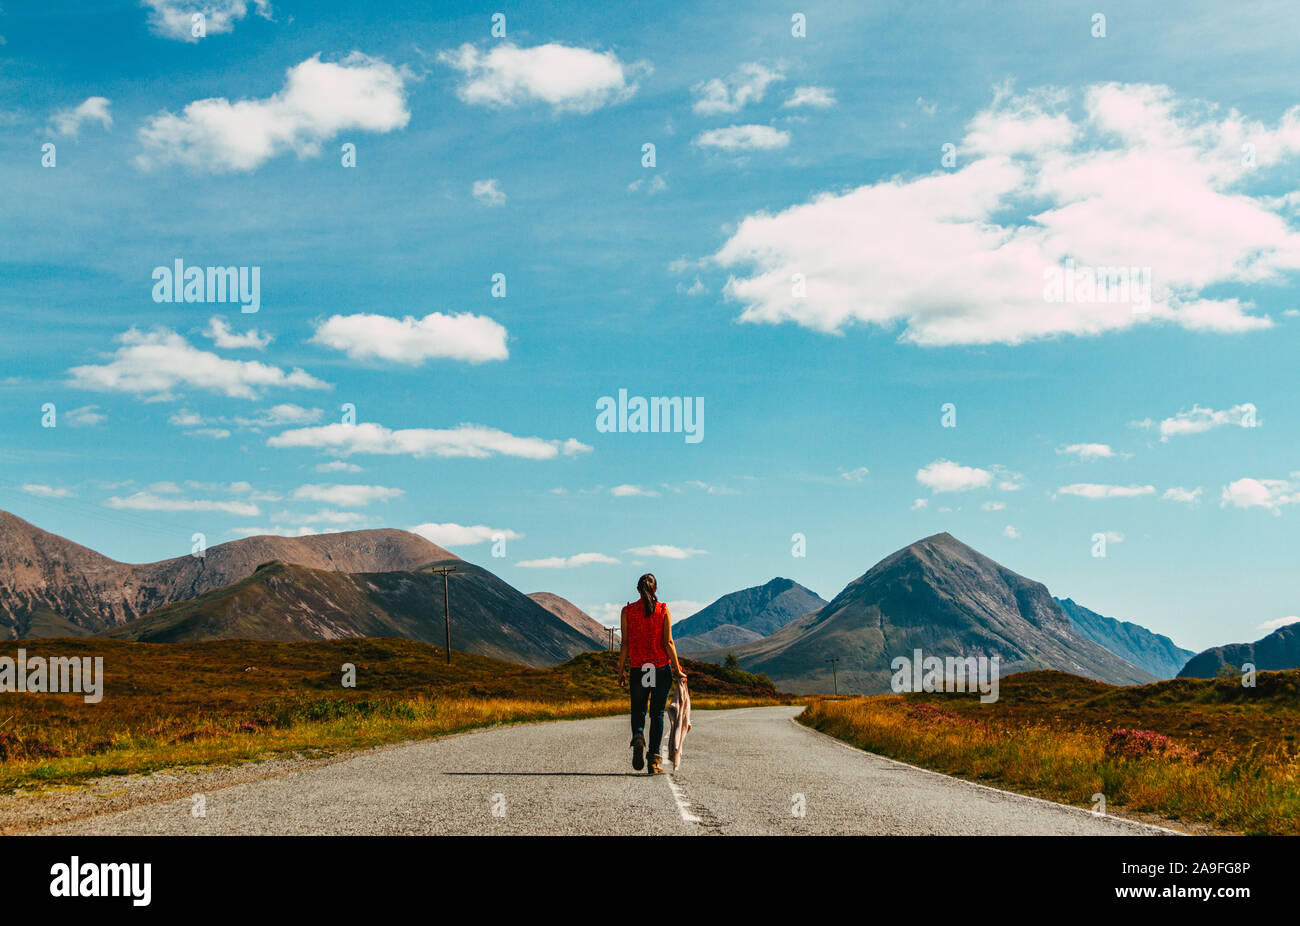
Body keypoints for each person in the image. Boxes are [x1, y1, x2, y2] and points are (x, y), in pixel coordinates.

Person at [617, 573, 686, 775]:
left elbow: (625, 644)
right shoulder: (663, 610)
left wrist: (621, 671)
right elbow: (668, 643)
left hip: (639, 668)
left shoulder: (627, 611)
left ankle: (638, 734)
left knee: (638, 710)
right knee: (656, 714)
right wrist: (678, 669)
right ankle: (654, 760)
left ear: (637, 590)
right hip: (660, 668)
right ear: (655, 590)